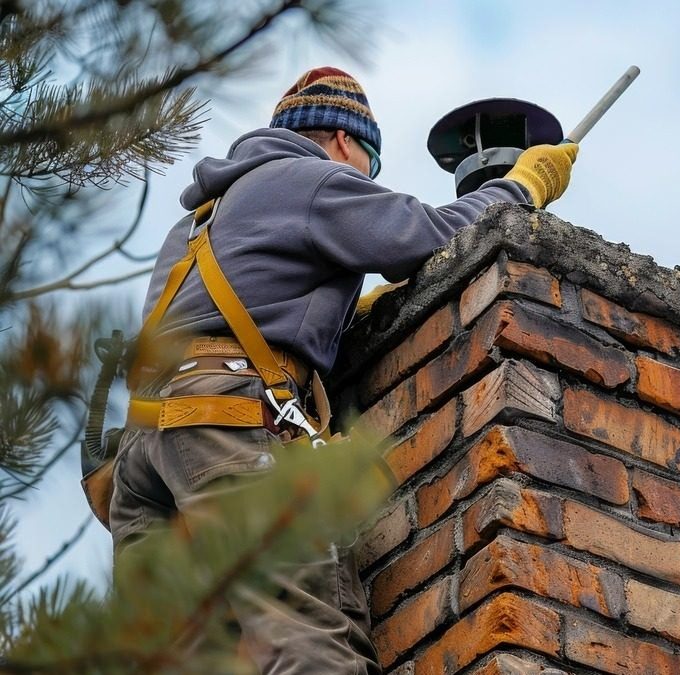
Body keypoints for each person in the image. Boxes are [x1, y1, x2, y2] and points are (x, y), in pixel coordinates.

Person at [107, 66, 578, 673]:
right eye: (370, 162)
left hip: (146, 460)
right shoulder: (306, 178)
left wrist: (342, 314)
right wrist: (518, 187)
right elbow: (431, 236)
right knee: (307, 636)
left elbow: (242, 307)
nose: (365, 179)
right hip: (226, 427)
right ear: (340, 139)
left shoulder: (199, 220)